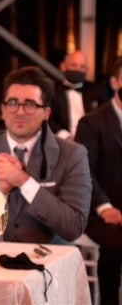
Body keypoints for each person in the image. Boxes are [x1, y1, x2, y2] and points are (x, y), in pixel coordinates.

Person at [0, 65, 91, 244]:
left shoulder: (73, 155)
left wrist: (24, 181)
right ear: (3, 110)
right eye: (12, 103)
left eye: (29, 104)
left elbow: (74, 227)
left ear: (46, 113)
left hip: (47, 264)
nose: (20, 112)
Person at [75, 57, 122, 305]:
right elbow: (84, 172)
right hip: (99, 209)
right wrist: (105, 207)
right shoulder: (91, 123)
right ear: (115, 83)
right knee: (115, 245)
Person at [48, 50, 105, 140]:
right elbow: (48, 119)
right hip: (62, 142)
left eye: (82, 67)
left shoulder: (96, 90)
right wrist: (66, 136)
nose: (78, 70)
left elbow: (104, 116)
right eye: (74, 65)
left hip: (92, 140)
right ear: (63, 66)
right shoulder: (52, 91)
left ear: (87, 70)